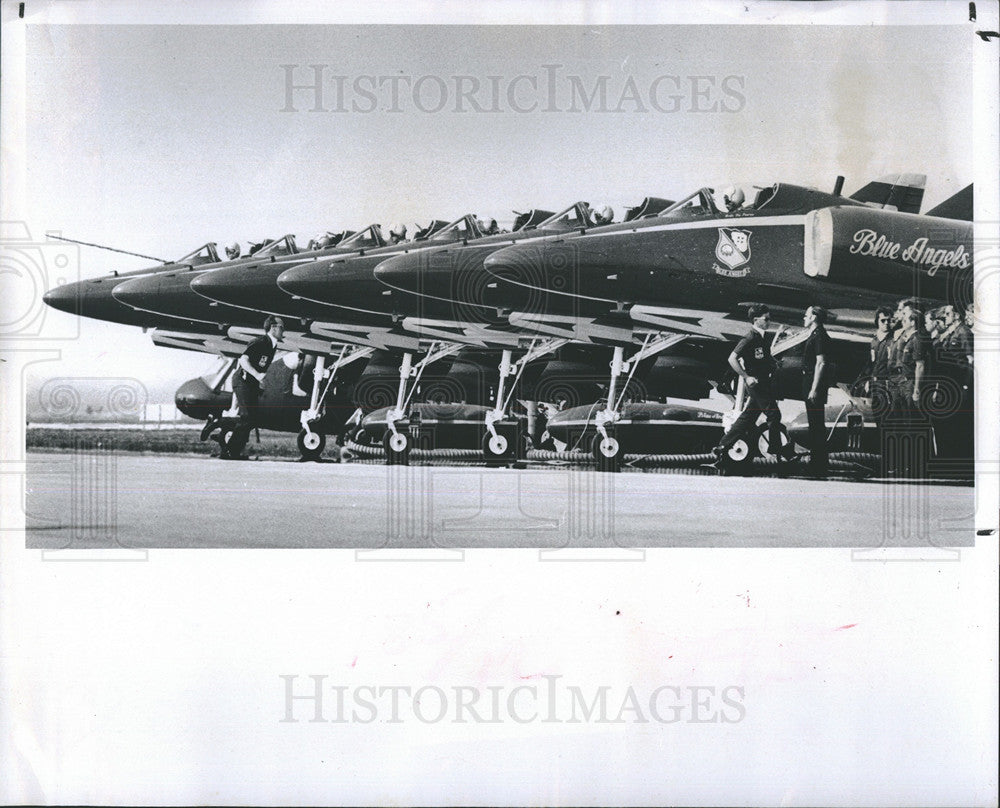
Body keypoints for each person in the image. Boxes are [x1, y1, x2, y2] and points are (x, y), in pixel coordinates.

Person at [712, 304, 790, 464]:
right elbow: (732, 358)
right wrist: (746, 376)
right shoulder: (750, 338)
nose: (769, 321)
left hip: (764, 382)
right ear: (756, 320)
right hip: (757, 383)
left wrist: (774, 363)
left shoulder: (762, 337)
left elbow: (763, 357)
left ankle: (722, 446)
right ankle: (775, 451)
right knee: (774, 415)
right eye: (766, 319)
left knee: (748, 417)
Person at [227, 315, 284, 458]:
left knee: (252, 419)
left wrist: (259, 382)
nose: (283, 331)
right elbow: (244, 360)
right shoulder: (260, 342)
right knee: (247, 417)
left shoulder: (272, 345)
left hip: (250, 384)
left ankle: (233, 449)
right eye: (281, 328)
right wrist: (258, 375)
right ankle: (229, 451)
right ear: (273, 328)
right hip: (242, 381)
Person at [801, 306, 831, 476]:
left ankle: (818, 466)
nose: (804, 318)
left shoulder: (819, 335)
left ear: (813, 318)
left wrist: (814, 388)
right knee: (815, 425)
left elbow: (821, 363)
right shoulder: (815, 334)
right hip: (811, 382)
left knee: (817, 425)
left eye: (806, 315)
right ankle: (818, 463)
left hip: (814, 384)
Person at [868, 305, 895, 427]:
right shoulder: (874, 341)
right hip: (875, 383)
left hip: (887, 383)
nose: (886, 323)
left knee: (888, 418)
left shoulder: (893, 340)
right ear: (877, 322)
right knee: (877, 415)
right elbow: (871, 362)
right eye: (883, 321)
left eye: (889, 321)